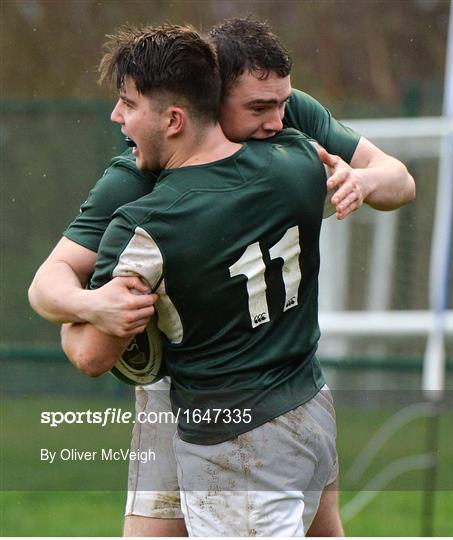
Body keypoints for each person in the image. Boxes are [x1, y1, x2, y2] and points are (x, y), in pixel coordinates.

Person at [28, 17, 415, 537]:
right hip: (242, 389)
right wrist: (93, 306)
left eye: (281, 103)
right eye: (258, 108)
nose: (278, 120)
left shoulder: (285, 122)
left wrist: (360, 180)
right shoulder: (142, 178)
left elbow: (400, 180)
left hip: (232, 409)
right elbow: (49, 281)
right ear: (210, 97)